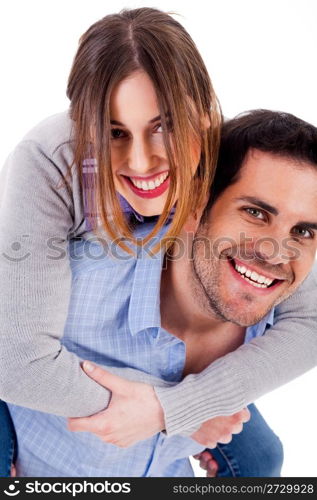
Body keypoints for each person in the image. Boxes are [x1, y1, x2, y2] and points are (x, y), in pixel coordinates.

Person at [0, 7, 316, 475]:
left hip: (174, 355)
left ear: (204, 115)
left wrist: (175, 408)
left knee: (261, 457)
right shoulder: (55, 161)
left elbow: (307, 318)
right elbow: (18, 359)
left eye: (164, 126)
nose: (143, 162)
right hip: (37, 342)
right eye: (113, 133)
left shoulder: (229, 159)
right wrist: (171, 413)